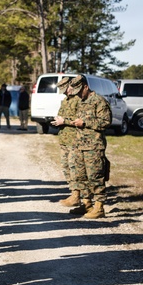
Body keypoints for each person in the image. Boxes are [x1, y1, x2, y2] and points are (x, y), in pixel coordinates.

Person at [53, 74, 111, 218]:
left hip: (94, 146)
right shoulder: (81, 101)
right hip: (79, 144)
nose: (77, 94)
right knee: (81, 177)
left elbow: (106, 122)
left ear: (86, 87)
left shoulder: (99, 101)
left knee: (95, 177)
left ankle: (99, 208)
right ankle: (87, 204)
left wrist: (85, 123)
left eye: (79, 91)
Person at [52, 76, 82, 208]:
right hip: (64, 139)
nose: (64, 92)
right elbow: (62, 115)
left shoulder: (79, 100)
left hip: (74, 140)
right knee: (66, 167)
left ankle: (77, 195)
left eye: (65, 89)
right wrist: (58, 120)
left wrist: (65, 121)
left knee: (74, 168)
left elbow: (81, 120)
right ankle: (73, 193)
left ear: (71, 86)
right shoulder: (65, 100)